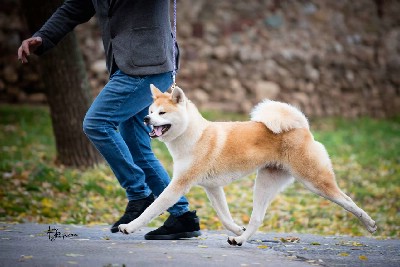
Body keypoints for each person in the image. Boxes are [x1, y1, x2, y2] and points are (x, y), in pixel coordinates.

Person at [17, 0, 201, 240]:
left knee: (97, 122)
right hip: (128, 64)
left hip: (148, 63)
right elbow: (76, 6)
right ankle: (182, 216)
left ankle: (139, 194)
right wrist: (43, 36)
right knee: (137, 149)